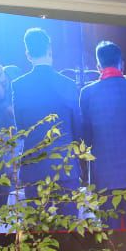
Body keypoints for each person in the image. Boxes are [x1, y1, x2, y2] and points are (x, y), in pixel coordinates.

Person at [79, 40, 126, 229]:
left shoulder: (87, 93)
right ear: (122, 64)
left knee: (110, 232)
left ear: (98, 66)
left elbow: (85, 137)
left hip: (105, 172)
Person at [10, 28, 83, 212]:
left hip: (34, 167)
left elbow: (21, 127)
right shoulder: (67, 83)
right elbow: (78, 127)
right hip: (65, 165)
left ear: (28, 54)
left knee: (38, 225)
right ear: (50, 49)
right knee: (69, 224)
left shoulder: (19, 85)